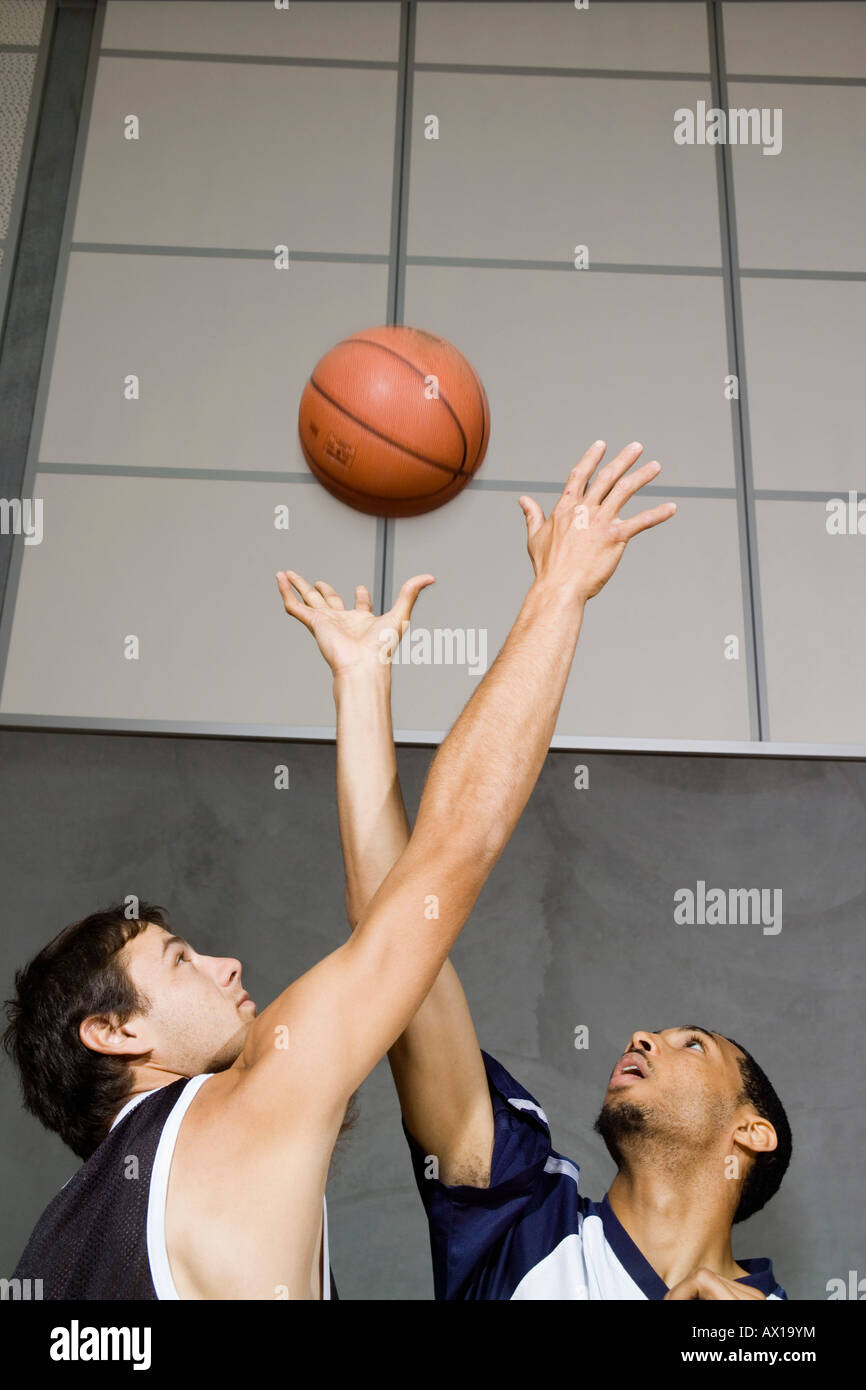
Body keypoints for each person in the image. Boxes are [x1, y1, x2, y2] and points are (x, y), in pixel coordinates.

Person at [5, 441, 675, 1300]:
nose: (228, 964)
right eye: (179, 960)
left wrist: (362, 683)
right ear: (114, 1033)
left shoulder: (61, 1242)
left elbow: (389, 909)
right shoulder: (228, 1113)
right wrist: (560, 589)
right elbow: (448, 857)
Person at [291, 465, 791, 1302]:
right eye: (665, 1032)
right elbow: (395, 934)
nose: (643, 1037)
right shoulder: (518, 1213)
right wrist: (362, 683)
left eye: (691, 1043)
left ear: (752, 1131)